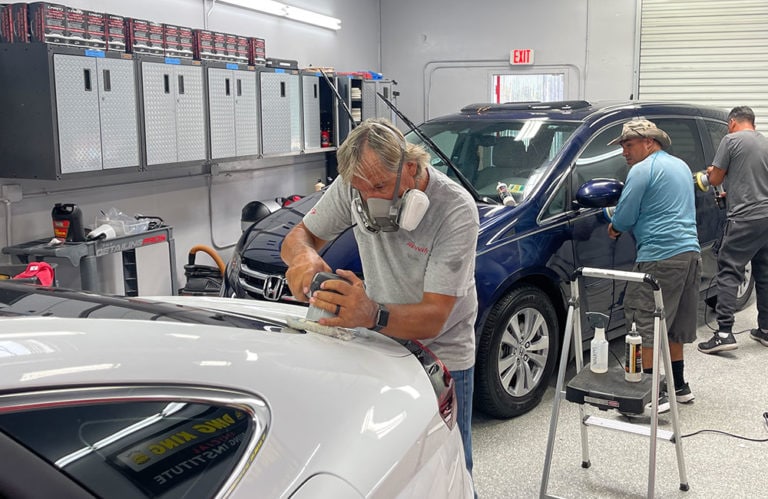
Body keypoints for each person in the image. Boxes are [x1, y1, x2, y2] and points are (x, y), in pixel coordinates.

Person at [280, 118, 480, 477]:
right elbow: (299, 237)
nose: (370, 199)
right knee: (390, 461)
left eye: (381, 186)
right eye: (360, 189)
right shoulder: (354, 187)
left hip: (442, 355)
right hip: (376, 341)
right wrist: (304, 257)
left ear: (413, 168)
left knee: (451, 466)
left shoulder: (455, 210)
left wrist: (371, 313)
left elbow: (435, 317)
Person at [607, 119, 701, 412]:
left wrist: (614, 228)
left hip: (659, 256)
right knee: (675, 324)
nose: (624, 151)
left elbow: (624, 217)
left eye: (629, 144)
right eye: (622, 145)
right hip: (690, 254)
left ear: (649, 141)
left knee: (644, 322)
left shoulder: (641, 170)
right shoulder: (681, 166)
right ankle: (679, 385)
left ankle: (648, 393)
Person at [698, 106, 768, 354]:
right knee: (764, 272)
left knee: (729, 270)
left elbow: (714, 179)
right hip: (766, 217)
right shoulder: (765, 142)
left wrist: (710, 173)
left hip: (744, 219)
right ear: (753, 123)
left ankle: (725, 333)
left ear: (732, 123)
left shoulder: (730, 140)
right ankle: (765, 330)